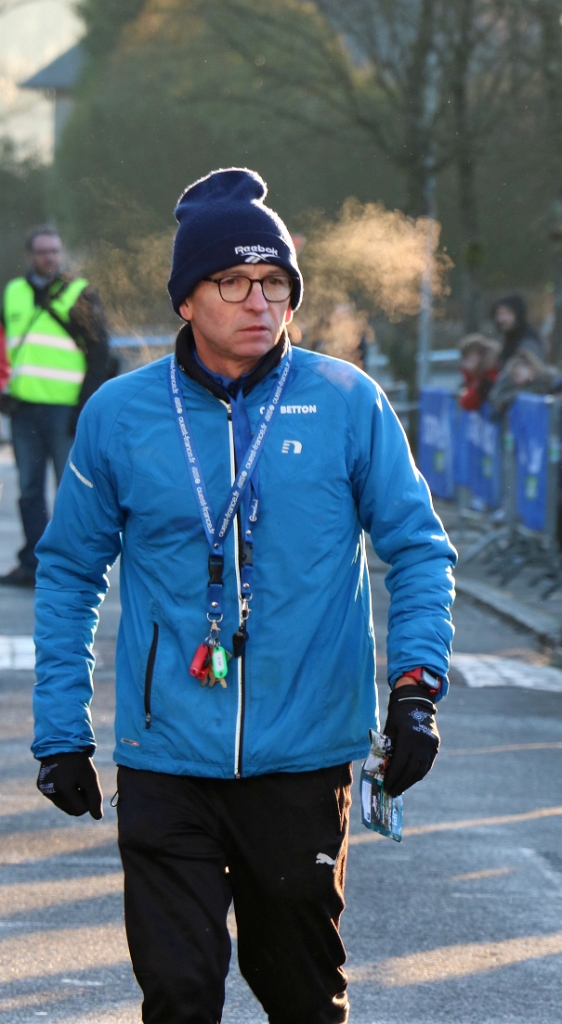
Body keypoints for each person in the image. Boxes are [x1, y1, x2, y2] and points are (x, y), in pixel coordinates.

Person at [32, 168, 456, 1024]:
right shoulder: (119, 414)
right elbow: (70, 571)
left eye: (276, 283)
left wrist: (415, 690)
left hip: (303, 757)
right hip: (165, 757)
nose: (260, 302)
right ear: (187, 299)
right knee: (180, 993)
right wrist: (60, 732)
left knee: (300, 996)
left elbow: (418, 549)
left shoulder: (347, 401)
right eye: (233, 281)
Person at [0, 226, 109, 587]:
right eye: (42, 252)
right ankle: (32, 563)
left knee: (70, 489)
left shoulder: (80, 293)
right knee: (30, 490)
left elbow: (100, 354)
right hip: (24, 409)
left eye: (54, 251)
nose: (49, 258)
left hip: (66, 411)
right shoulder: (13, 293)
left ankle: (69, 566)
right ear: (30, 256)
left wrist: (85, 406)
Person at [488, 349, 558, 418]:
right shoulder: (508, 383)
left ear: (531, 371)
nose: (516, 377)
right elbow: (496, 398)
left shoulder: (542, 383)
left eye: (519, 374)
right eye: (514, 374)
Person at [492, 294, 544, 368]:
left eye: (507, 313)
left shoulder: (528, 341)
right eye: (499, 314)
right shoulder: (507, 337)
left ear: (518, 314)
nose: (501, 319)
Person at [458, 332, 500, 411]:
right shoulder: (470, 375)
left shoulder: (491, 375)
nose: (468, 364)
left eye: (472, 359)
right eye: (466, 359)